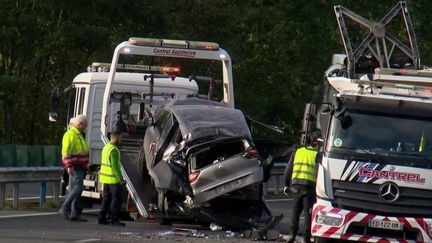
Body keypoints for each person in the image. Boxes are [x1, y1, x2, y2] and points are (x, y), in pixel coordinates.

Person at [283, 133, 320, 243]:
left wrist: (286, 185)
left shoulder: (297, 151)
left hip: (296, 187)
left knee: (295, 212)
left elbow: (288, 169)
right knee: (308, 215)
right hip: (309, 188)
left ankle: (292, 235)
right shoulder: (317, 154)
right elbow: (319, 172)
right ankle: (306, 239)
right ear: (314, 143)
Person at [59, 115, 89, 222]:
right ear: (80, 124)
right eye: (85, 125)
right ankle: (65, 207)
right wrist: (69, 166)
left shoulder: (79, 134)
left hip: (80, 166)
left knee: (77, 188)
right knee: (78, 188)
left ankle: (74, 213)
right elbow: (65, 152)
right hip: (75, 166)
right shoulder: (70, 135)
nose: (86, 127)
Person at [98, 129, 125, 226]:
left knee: (106, 199)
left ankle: (102, 218)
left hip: (105, 178)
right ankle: (114, 219)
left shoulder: (106, 147)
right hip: (113, 179)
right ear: (116, 137)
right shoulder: (113, 149)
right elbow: (115, 166)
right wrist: (121, 179)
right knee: (116, 200)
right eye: (120, 138)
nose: (121, 140)